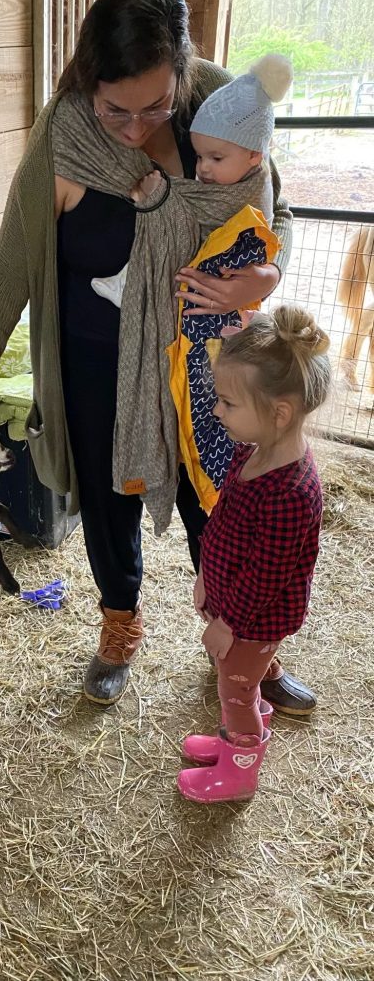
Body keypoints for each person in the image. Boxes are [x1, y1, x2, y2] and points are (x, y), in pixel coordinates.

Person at [0, 0, 317, 716]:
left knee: (220, 505)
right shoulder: (63, 137)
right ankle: (120, 624)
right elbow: (1, 280)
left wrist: (261, 282)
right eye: (116, 107)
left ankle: (249, 643)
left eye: (156, 105)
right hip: (95, 361)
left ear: (184, 73)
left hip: (206, 363)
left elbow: (274, 211)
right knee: (108, 497)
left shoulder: (223, 105)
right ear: (88, 80)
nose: (135, 125)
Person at [178, 305, 331, 803]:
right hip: (235, 608)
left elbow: (266, 578)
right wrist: (206, 575)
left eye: (227, 402)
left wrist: (228, 623)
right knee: (239, 683)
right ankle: (233, 739)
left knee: (235, 690)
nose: (217, 411)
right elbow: (222, 520)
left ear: (279, 412)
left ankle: (240, 771)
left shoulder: (292, 491)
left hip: (254, 620)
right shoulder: (253, 449)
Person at [130, 54, 291, 514]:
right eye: (198, 155)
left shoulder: (249, 184)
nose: (201, 168)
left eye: (214, 158)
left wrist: (270, 273)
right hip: (196, 319)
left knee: (212, 418)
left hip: (216, 325)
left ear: (256, 156)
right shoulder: (232, 160)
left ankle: (219, 498)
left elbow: (272, 214)